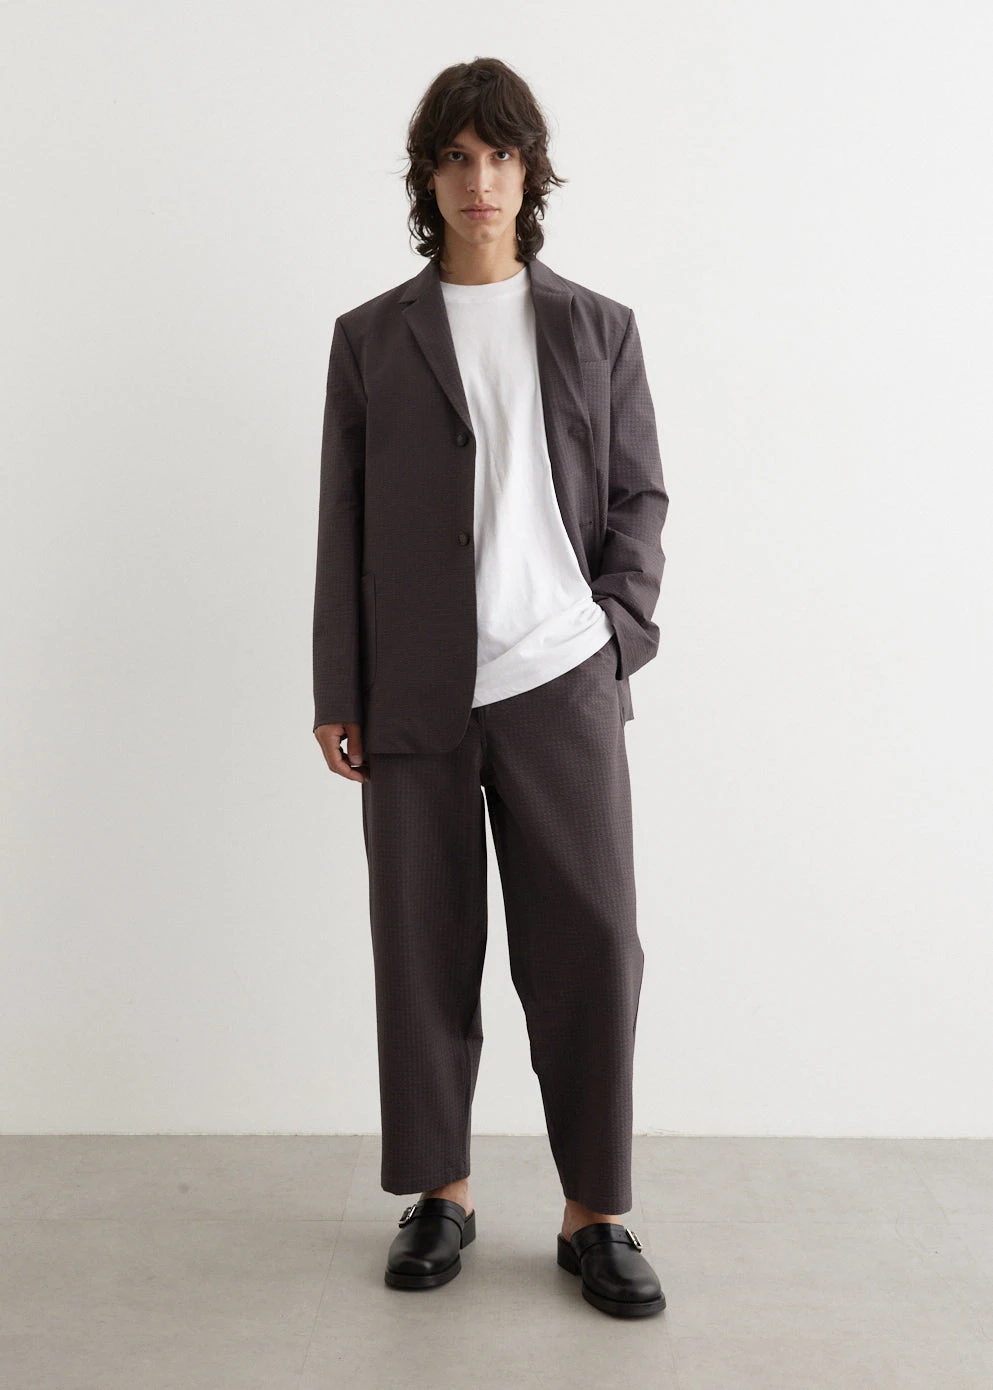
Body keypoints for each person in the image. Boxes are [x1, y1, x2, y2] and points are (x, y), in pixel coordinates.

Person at [312, 57, 668, 1319]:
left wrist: (617, 633)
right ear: (429, 179)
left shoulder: (597, 328)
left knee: (593, 944)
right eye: (458, 158)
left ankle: (596, 1212)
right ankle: (441, 1193)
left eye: (501, 155)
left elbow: (640, 496)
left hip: (561, 678)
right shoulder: (370, 338)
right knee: (421, 945)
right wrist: (338, 684)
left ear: (530, 173)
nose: (481, 179)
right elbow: (342, 521)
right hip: (414, 688)